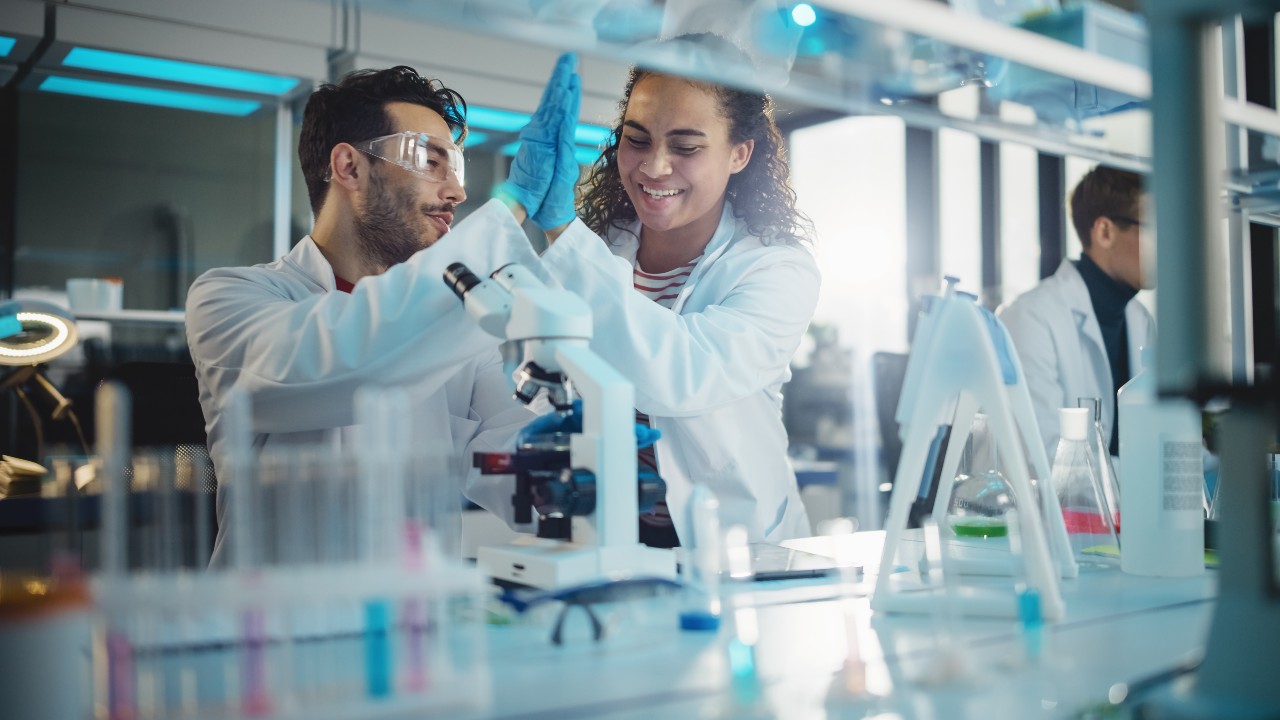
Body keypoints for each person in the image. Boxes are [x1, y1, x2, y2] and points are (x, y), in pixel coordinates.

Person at [186, 58, 581, 565]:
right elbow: (351, 359)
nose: (457, 191)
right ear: (349, 167)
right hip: (277, 632)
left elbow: (512, 468)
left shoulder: (459, 323)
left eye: (455, 165)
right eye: (430, 160)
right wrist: (508, 210)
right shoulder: (232, 299)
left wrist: (564, 467)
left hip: (415, 629)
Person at [512, 34, 821, 546]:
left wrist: (564, 233)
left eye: (686, 147)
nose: (654, 167)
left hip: (733, 546)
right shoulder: (598, 254)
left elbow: (680, 373)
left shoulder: (776, 271)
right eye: (636, 140)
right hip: (604, 535)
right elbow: (532, 378)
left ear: (740, 154)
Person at [998, 165, 1155, 464]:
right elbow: (1042, 458)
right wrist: (1146, 474)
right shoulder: (1032, 318)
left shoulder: (1140, 320)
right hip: (1055, 511)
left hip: (1126, 508)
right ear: (1105, 231)